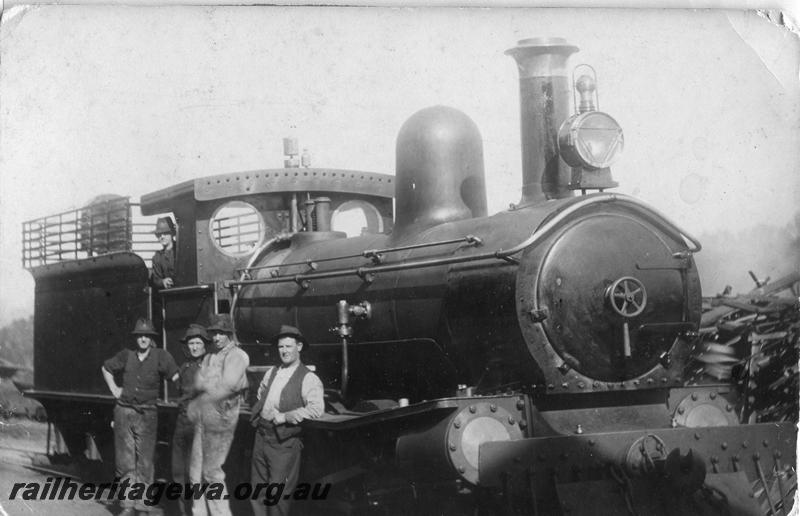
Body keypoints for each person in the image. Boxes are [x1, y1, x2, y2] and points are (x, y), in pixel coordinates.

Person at [101, 318, 179, 516]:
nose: (143, 339)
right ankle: (127, 506)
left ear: (151, 338)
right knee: (126, 462)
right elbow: (106, 368)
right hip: (124, 412)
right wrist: (115, 389)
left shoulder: (161, 356)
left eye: (147, 336)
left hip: (148, 414)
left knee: (145, 462)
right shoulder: (126, 355)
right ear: (136, 338)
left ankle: (142, 506)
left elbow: (176, 376)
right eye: (140, 336)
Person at [250, 325, 324, 516]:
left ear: (299, 347)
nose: (284, 351)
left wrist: (286, 416)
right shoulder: (272, 372)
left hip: (284, 443)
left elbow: (316, 409)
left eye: (288, 346)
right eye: (281, 347)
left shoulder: (308, 377)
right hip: (261, 436)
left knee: (277, 497)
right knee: (257, 492)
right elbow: (261, 393)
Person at [187, 314, 249, 516]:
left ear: (229, 334)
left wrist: (207, 388)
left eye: (221, 333)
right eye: (213, 333)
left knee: (212, 473)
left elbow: (229, 384)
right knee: (195, 474)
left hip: (222, 419)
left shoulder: (238, 355)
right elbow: (197, 382)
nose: (216, 338)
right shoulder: (210, 356)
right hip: (204, 419)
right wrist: (211, 385)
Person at [171, 324, 208, 516]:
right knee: (179, 473)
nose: (194, 347)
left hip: (199, 426)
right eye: (191, 343)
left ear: (204, 345)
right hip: (182, 424)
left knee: (197, 476)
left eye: (198, 343)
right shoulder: (184, 367)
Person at [151, 216, 177, 290]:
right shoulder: (157, 257)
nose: (162, 237)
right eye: (159, 234)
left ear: (172, 233)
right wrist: (163, 282)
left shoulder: (181, 251)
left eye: (165, 233)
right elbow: (156, 279)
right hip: (167, 295)